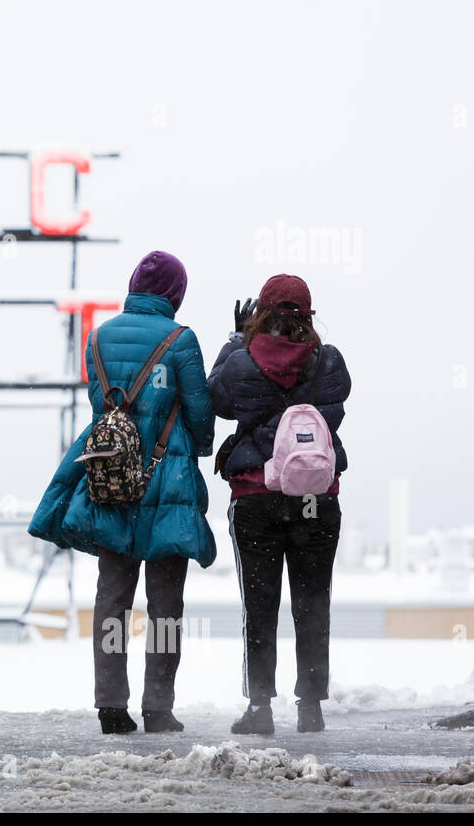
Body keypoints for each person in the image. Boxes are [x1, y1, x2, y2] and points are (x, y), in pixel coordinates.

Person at [29, 251, 215, 734]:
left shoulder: (97, 337)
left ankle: (111, 704)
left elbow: (102, 407)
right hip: (167, 481)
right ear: (175, 294)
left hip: (109, 480)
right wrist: (190, 448)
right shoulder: (182, 340)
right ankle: (158, 706)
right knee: (165, 603)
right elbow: (198, 413)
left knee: (112, 595)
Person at [208, 274, 350, 734]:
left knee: (259, 603)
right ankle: (311, 707)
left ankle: (260, 709)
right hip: (315, 499)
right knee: (313, 603)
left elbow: (217, 399)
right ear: (309, 314)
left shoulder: (242, 361)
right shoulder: (329, 362)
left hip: (256, 498)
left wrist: (235, 339)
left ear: (260, 314)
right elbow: (336, 408)